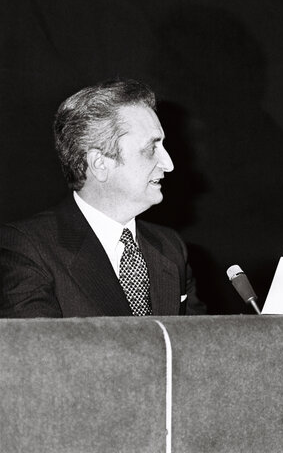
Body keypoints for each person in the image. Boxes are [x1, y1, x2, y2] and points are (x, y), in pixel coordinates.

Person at [0, 79, 205, 317]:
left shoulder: (171, 248)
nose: (168, 164)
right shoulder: (27, 249)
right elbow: (40, 351)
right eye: (151, 148)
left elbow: (200, 347)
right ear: (99, 163)